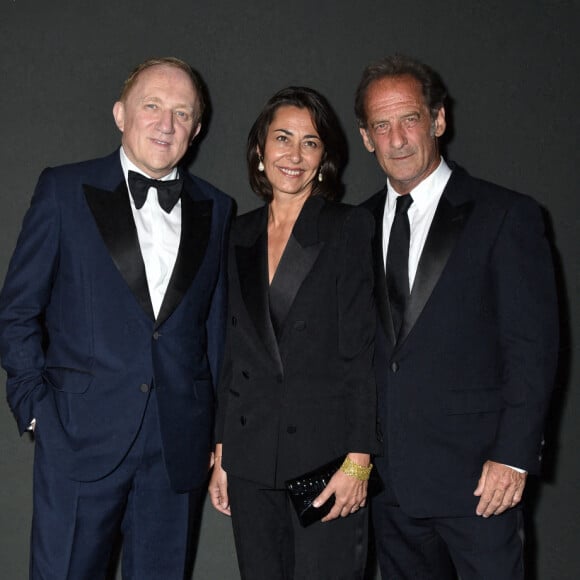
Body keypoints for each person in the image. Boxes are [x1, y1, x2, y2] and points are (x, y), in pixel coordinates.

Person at [0, 57, 233, 579]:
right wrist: (35, 406)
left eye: (181, 112)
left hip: (177, 452)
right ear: (120, 114)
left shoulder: (217, 209)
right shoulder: (63, 190)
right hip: (78, 439)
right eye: (152, 105)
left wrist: (219, 438)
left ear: (195, 130)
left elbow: (216, 335)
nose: (165, 123)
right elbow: (17, 310)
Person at [356, 54, 559, 579]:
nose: (397, 139)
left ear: (439, 120)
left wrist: (514, 457)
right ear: (365, 137)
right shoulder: (351, 227)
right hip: (389, 486)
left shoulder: (506, 216)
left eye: (410, 119)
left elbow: (532, 348)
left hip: (480, 483)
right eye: (382, 125)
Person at [208, 86, 380, 580]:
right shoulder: (238, 233)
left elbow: (361, 352)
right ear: (260, 149)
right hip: (251, 457)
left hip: (324, 461)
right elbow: (232, 350)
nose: (295, 154)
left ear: (324, 157)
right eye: (283, 138)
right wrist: (224, 451)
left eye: (310, 142)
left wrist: (359, 460)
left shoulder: (347, 227)